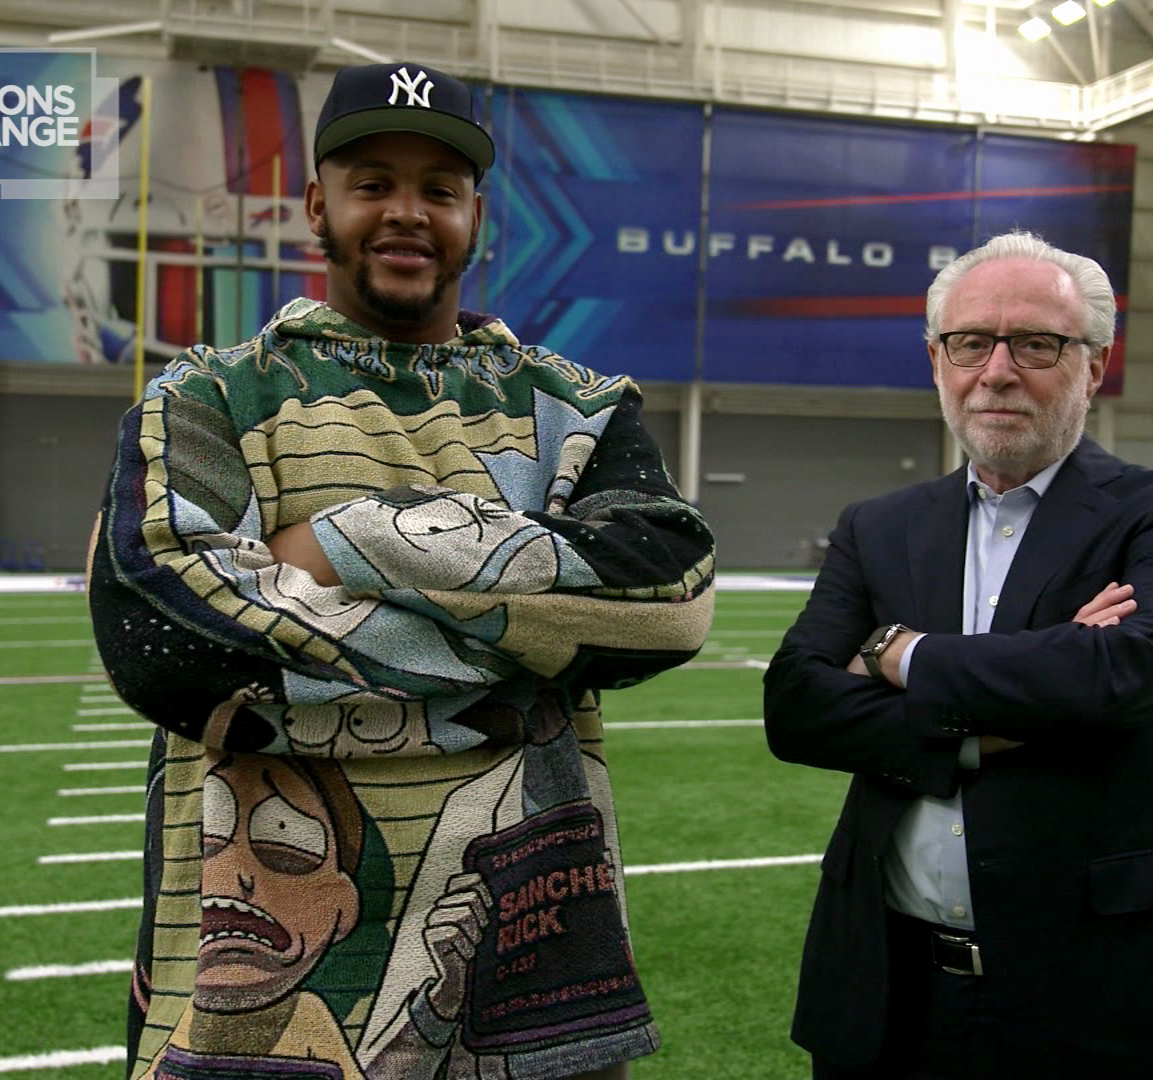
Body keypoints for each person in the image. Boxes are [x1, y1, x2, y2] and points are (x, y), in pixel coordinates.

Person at [88, 61, 716, 1080]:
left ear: (477, 215)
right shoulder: (209, 398)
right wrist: (524, 651)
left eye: (438, 189)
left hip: (534, 960)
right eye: (373, 181)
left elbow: (670, 599)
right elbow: (167, 641)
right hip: (268, 989)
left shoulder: (577, 405)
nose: (406, 213)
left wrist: (351, 542)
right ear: (316, 206)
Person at [763, 231, 1153, 1080]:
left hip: (1102, 988)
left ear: (1094, 365)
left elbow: (1120, 672)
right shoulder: (878, 526)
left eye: (1037, 344)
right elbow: (795, 708)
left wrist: (898, 652)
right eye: (971, 342)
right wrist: (980, 727)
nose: (997, 370)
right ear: (937, 358)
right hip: (888, 983)